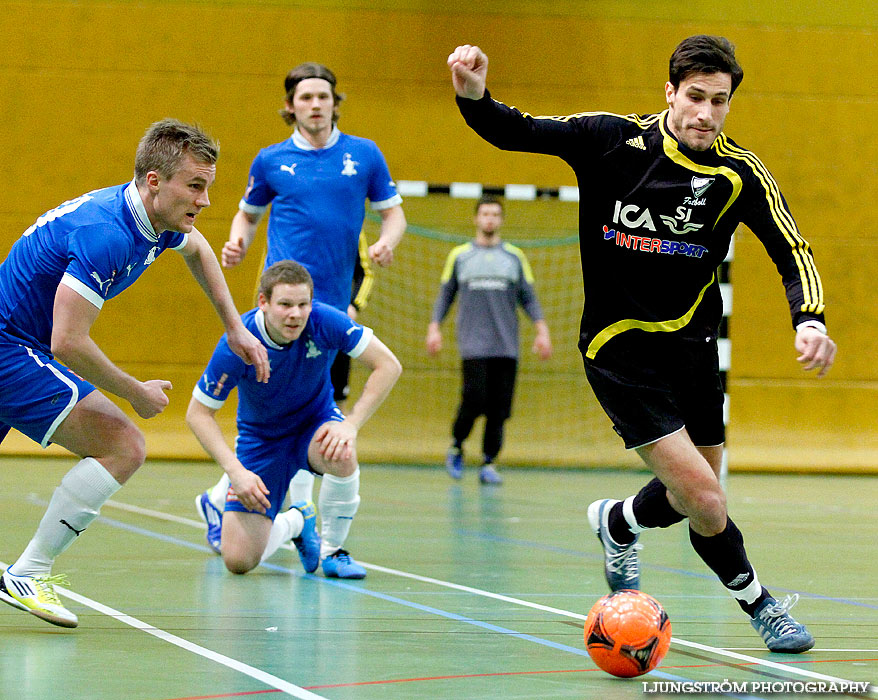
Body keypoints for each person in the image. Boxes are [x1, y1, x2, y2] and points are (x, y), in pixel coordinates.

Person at [448, 36, 836, 653]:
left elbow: (792, 249)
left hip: (693, 352)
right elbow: (516, 131)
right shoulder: (609, 140)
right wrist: (474, 97)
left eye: (719, 101)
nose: (705, 113)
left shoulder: (738, 174)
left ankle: (618, 521)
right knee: (707, 498)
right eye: (694, 97)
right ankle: (761, 606)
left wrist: (808, 318)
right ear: (670, 93)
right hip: (619, 352)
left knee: (695, 500)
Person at [0, 119, 270, 628]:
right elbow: (68, 341)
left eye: (207, 186)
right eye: (195, 185)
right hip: (11, 348)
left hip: (16, 346)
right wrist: (134, 394)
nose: (206, 200)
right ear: (153, 181)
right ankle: (29, 573)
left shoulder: (156, 222)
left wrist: (234, 327)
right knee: (125, 445)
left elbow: (199, 250)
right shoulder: (107, 234)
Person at [197, 62, 406, 538]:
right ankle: (293, 516)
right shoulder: (270, 160)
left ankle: (224, 502)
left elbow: (394, 215)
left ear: (335, 102)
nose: (316, 105)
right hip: (282, 304)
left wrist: (387, 240)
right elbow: (247, 216)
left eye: (324, 96)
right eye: (306, 97)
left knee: (319, 411)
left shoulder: (364, 155)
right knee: (277, 406)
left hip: (331, 307)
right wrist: (238, 243)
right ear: (290, 106)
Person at [187, 260, 401, 578]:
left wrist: (350, 424)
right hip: (261, 442)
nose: (295, 314)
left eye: (303, 305)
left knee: (340, 450)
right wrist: (236, 472)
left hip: (313, 425)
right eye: (285, 304)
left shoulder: (325, 322)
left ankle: (333, 552)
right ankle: (298, 521)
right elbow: (198, 414)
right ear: (264, 302)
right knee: (238, 562)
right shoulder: (239, 343)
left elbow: (388, 365)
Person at [426, 196, 552, 484]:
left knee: (499, 409)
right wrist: (435, 327)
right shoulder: (460, 257)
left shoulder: (514, 257)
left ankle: (489, 462)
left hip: (506, 346)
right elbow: (446, 295)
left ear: (501, 220)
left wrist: (542, 330)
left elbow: (528, 297)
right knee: (474, 399)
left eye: (495, 214)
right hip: (473, 345)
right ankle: (457, 446)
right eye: (485, 214)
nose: (490, 219)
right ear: (476, 218)